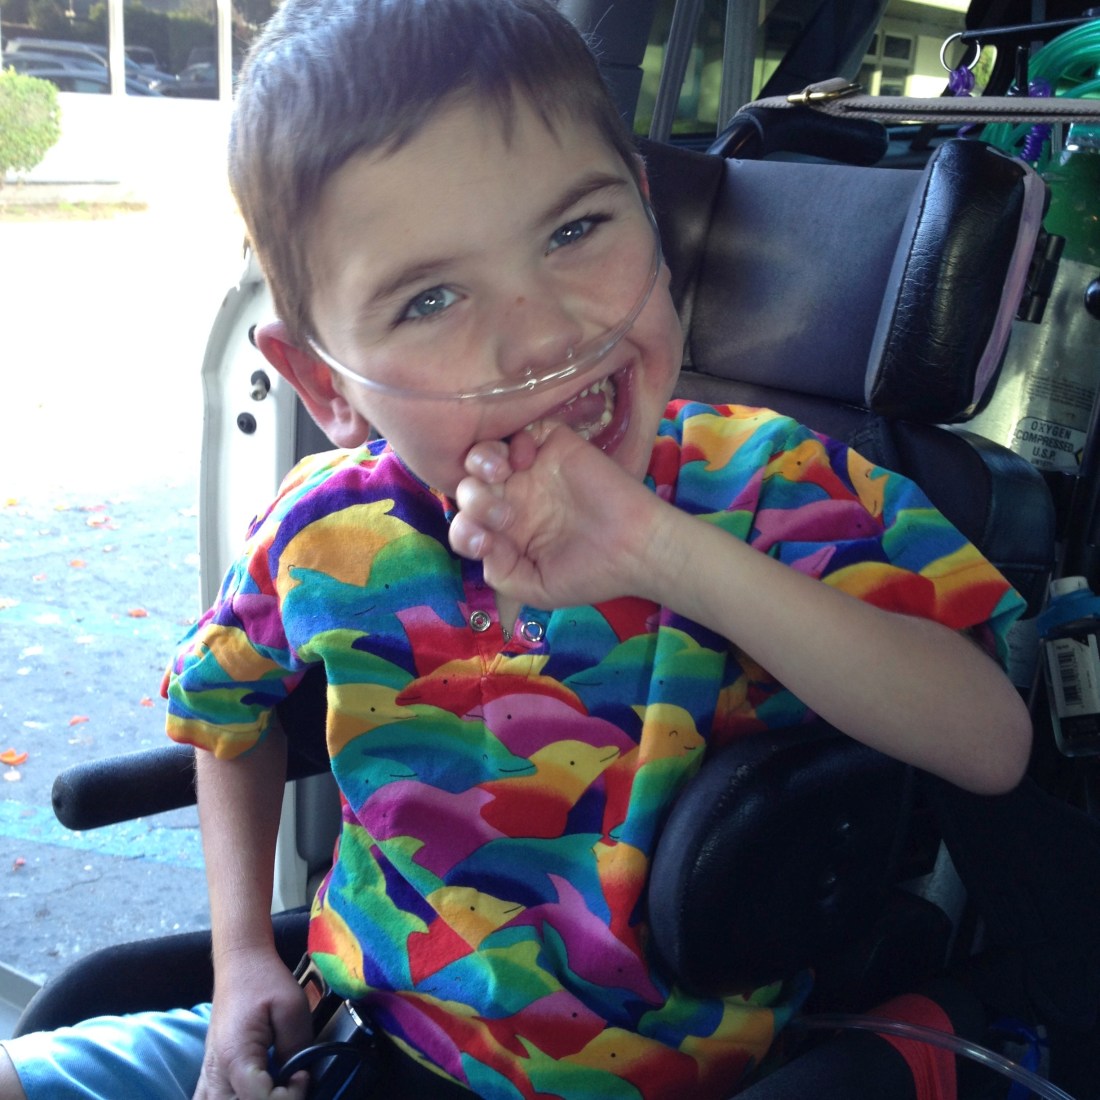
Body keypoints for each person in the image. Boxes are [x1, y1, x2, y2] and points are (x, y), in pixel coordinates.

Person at [0, 0, 1033, 1097]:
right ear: (323, 386)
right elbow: (224, 714)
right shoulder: (324, 537)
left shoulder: (780, 489)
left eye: (575, 230)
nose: (542, 334)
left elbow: (987, 742)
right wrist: (243, 949)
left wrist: (661, 550)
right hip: (357, 1036)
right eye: (429, 297)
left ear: (650, 219)